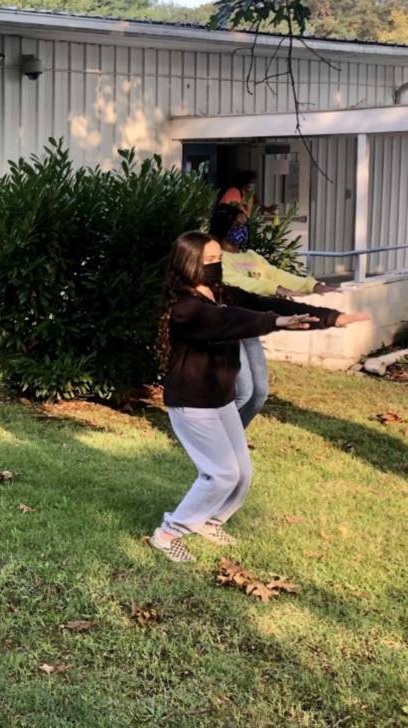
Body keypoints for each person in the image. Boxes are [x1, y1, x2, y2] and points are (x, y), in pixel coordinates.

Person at [150, 232, 370, 563]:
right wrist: (277, 323)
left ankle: (210, 522)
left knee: (243, 472)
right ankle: (168, 533)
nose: (215, 267)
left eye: (217, 260)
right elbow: (229, 320)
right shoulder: (186, 308)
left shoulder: (220, 292)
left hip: (220, 399)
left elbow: (267, 302)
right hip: (192, 403)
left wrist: (331, 318)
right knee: (221, 474)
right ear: (189, 264)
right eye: (208, 261)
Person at [208, 203, 341, 427]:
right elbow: (236, 281)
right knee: (244, 392)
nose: (241, 231)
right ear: (223, 227)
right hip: (228, 327)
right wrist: (275, 288)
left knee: (259, 393)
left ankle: (234, 437)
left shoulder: (250, 256)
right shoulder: (215, 256)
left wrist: (313, 285)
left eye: (244, 226)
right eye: (236, 226)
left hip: (250, 326)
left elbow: (277, 274)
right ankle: (215, 437)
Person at [216, 169, 275, 247]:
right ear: (244, 182)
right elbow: (235, 210)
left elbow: (256, 206)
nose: (253, 184)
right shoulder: (234, 192)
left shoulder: (248, 195)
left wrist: (268, 209)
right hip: (229, 231)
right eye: (251, 182)